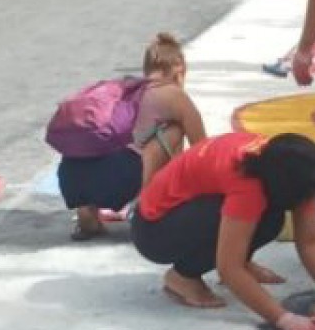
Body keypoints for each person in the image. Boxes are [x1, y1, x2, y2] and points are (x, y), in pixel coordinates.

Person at [131, 128, 315, 330]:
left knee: (270, 220)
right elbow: (229, 268)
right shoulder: (248, 184)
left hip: (188, 210)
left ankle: (242, 258)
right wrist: (283, 318)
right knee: (252, 220)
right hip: (153, 230)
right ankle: (182, 277)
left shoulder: (292, 165)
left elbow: (310, 241)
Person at [56, 32, 208, 241]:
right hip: (121, 177)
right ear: (179, 68)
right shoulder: (173, 94)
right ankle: (151, 209)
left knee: (109, 147)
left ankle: (87, 213)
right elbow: (203, 149)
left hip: (71, 177)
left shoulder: (122, 89)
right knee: (173, 130)